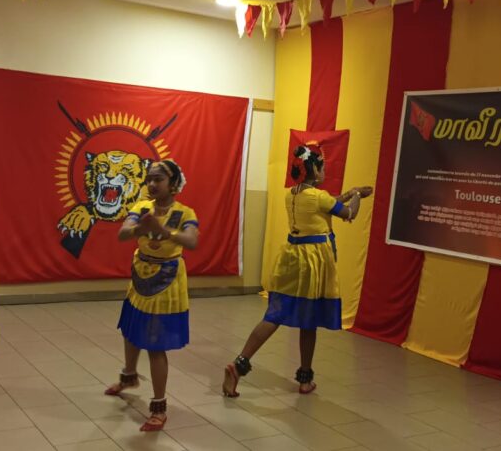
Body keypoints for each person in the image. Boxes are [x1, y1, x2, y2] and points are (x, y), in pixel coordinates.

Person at [222, 144, 371, 397]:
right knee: (309, 321)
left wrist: (346, 194)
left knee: (275, 314)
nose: (325, 172)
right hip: (313, 262)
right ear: (315, 170)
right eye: (323, 168)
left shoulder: (291, 194)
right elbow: (348, 213)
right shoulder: (319, 197)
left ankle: (240, 364)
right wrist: (356, 194)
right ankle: (304, 378)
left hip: (292, 258)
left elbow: (327, 204)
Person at [104, 159, 199, 432]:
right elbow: (123, 234)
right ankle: (129, 376)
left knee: (155, 344)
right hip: (140, 276)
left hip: (166, 281)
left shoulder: (184, 212)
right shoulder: (142, 208)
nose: (152, 184)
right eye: (149, 179)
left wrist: (164, 231)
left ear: (173, 183)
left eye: (159, 179)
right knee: (131, 330)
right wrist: (140, 229)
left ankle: (159, 407)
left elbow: (192, 241)